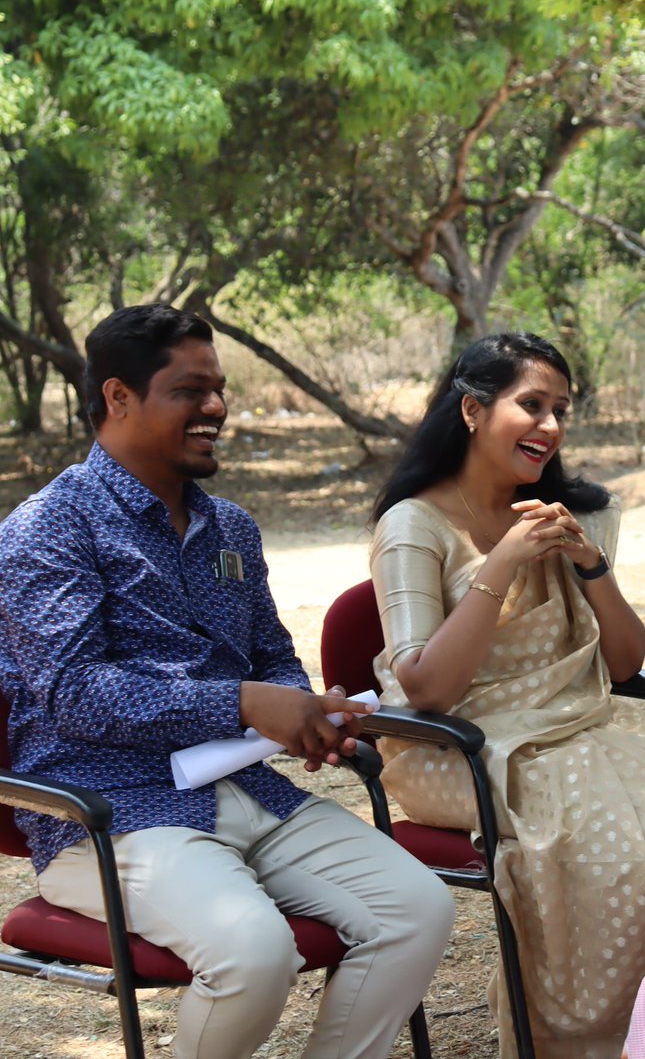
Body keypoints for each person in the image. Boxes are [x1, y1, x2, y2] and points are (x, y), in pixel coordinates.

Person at [0, 305, 454, 1059]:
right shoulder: (50, 527)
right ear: (118, 398)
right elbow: (73, 691)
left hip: (251, 791)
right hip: (110, 812)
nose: (216, 407)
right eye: (190, 390)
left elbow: (272, 655)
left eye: (219, 388)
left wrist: (306, 709)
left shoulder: (230, 529)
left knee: (418, 907)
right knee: (254, 951)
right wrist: (243, 701)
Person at [369, 332, 645, 1059]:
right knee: (627, 850)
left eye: (561, 409)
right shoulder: (414, 524)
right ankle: (596, 1040)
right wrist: (499, 564)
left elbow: (625, 661)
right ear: (471, 409)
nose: (551, 427)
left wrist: (589, 564)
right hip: (464, 747)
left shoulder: (568, 513)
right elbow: (428, 688)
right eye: (531, 405)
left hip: (575, 728)